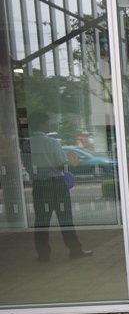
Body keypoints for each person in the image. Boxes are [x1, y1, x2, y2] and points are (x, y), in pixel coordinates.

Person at [27, 111, 93, 261]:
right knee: (65, 218)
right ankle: (75, 250)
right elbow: (61, 164)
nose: (49, 125)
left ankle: (43, 254)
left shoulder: (27, 144)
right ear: (42, 124)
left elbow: (28, 165)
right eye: (47, 123)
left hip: (39, 186)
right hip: (56, 184)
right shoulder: (53, 143)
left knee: (41, 221)